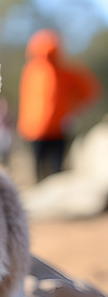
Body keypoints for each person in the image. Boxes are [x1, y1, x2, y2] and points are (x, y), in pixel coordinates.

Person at [17, 29, 101, 182]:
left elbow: (89, 90)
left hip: (55, 129)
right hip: (35, 130)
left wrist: (72, 112)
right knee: (40, 170)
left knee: (55, 170)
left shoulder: (64, 72)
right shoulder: (31, 71)